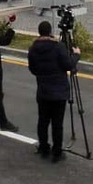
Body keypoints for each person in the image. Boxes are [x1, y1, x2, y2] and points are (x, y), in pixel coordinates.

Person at [27, 20, 80, 162]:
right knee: (57, 123)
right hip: (59, 92)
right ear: (50, 32)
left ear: (39, 32)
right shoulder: (58, 47)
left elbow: (32, 69)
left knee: (43, 121)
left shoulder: (33, 48)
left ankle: (44, 148)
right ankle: (57, 152)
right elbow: (68, 65)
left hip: (43, 91)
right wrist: (76, 55)